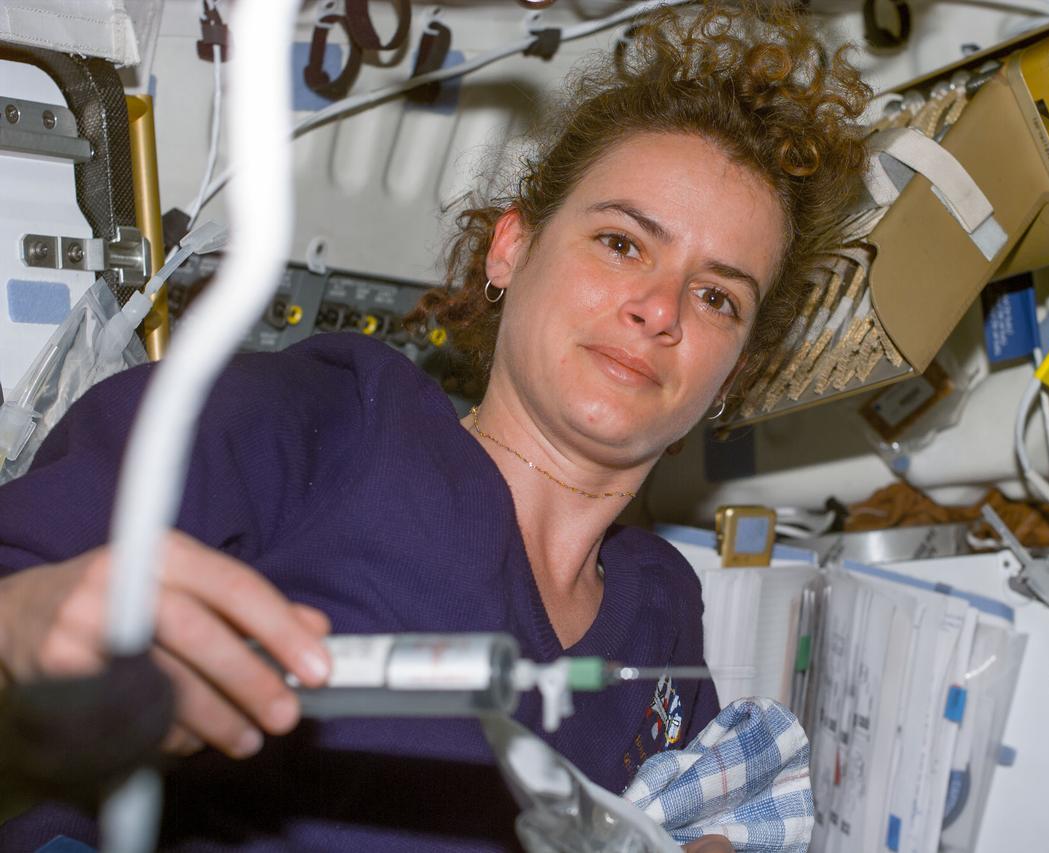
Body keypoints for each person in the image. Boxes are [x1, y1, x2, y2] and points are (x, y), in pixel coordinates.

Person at [0, 1, 869, 849]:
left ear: (734, 373)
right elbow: (31, 598)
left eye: (717, 296)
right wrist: (24, 628)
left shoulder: (662, 605)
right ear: (511, 248)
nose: (659, 308)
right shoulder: (324, 418)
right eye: (621, 243)